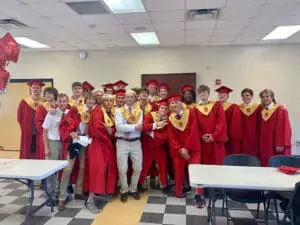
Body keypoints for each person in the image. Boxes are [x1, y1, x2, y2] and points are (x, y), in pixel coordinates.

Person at [58, 93, 96, 211]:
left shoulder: (95, 112)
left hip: (85, 141)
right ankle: (62, 198)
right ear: (85, 100)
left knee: (83, 167)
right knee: (68, 168)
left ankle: (79, 190)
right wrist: (71, 132)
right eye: (89, 99)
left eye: (93, 99)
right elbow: (66, 123)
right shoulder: (76, 109)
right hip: (75, 140)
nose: (90, 101)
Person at [168, 94, 205, 207]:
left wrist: (186, 148)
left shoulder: (191, 113)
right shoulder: (170, 118)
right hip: (178, 151)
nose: (174, 105)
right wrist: (180, 149)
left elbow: (194, 131)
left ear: (181, 104)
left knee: (196, 171)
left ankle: (199, 196)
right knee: (178, 171)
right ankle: (179, 191)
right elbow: (171, 137)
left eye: (176, 103)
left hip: (193, 149)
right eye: (172, 103)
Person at [83, 93, 117, 213]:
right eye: (106, 100)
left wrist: (111, 131)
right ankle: (90, 201)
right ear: (102, 101)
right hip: (97, 144)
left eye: (110, 100)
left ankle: (101, 192)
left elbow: (114, 130)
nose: (108, 102)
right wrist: (110, 132)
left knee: (108, 168)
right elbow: (97, 128)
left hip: (107, 144)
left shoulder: (112, 113)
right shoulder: (97, 111)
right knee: (98, 170)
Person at [115, 90, 143, 203]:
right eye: (127, 97)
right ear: (124, 98)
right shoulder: (118, 110)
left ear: (135, 98)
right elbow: (118, 127)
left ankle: (133, 188)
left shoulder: (139, 111)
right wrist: (132, 127)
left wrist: (126, 126)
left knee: (138, 167)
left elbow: (140, 126)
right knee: (122, 169)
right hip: (122, 142)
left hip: (136, 142)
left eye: (132, 97)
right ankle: (124, 190)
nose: (130, 99)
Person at [42, 93, 70, 197]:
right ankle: (49, 191)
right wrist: (46, 148)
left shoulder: (69, 113)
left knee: (62, 168)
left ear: (67, 102)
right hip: (53, 142)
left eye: (64, 101)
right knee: (51, 168)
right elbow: (44, 131)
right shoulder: (51, 114)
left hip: (65, 143)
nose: (62, 103)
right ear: (57, 102)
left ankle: (59, 189)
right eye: (60, 101)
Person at [138, 100, 169, 194]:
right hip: (147, 145)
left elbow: (166, 136)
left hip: (159, 147)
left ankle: (163, 184)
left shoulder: (169, 120)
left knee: (163, 165)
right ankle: (141, 184)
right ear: (158, 108)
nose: (163, 110)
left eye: (166, 108)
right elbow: (144, 127)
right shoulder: (150, 115)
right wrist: (156, 125)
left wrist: (151, 133)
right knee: (145, 165)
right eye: (162, 108)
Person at [194, 85, 227, 165]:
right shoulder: (195, 108)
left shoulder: (217, 105)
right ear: (198, 94)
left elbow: (221, 122)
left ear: (208, 93)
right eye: (200, 92)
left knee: (218, 162)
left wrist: (213, 136)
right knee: (205, 163)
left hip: (216, 140)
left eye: (204, 92)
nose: (202, 94)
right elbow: (195, 124)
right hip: (203, 140)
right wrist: (202, 135)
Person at [258, 89, 292, 166]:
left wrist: (280, 143)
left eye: (267, 96)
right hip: (265, 143)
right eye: (263, 97)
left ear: (272, 97)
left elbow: (282, 127)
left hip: (275, 144)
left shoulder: (279, 109)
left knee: (276, 164)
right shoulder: (262, 110)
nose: (265, 98)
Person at [17, 80, 45, 159]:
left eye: (37, 88)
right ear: (30, 89)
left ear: (40, 90)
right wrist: (25, 128)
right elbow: (19, 118)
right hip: (28, 131)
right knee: (29, 150)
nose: (35, 90)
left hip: (41, 131)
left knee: (40, 149)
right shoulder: (24, 102)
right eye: (33, 88)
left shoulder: (45, 102)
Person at [216, 86, 242, 155]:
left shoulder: (233, 107)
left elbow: (235, 124)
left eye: (224, 95)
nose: (222, 96)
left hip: (229, 138)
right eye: (220, 95)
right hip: (217, 137)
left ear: (228, 97)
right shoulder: (214, 107)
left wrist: (227, 135)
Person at [35, 87, 59, 160]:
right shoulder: (41, 107)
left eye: (50, 93)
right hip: (47, 136)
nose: (47, 95)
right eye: (45, 93)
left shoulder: (60, 105)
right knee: (49, 157)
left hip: (59, 135)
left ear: (55, 94)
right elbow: (38, 121)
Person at [239, 88, 261, 157]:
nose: (245, 97)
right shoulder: (238, 107)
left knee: (254, 154)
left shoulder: (258, 107)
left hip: (255, 135)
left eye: (247, 95)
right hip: (243, 135)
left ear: (251, 96)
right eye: (243, 96)